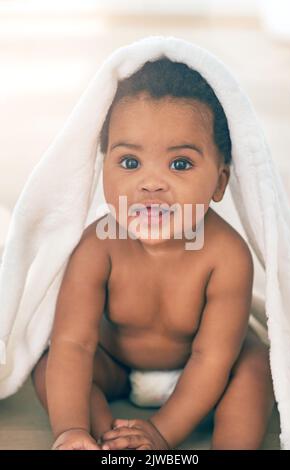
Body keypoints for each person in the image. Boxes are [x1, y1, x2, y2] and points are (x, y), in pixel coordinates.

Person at [31, 57, 275, 450]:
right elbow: (74, 342)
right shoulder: (97, 247)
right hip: (116, 367)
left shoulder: (227, 256)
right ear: (102, 167)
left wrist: (163, 431)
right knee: (48, 367)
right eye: (130, 162)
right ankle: (98, 437)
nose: (151, 184)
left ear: (219, 181)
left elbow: (212, 357)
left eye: (180, 164)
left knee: (255, 367)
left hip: (205, 376)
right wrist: (70, 424)